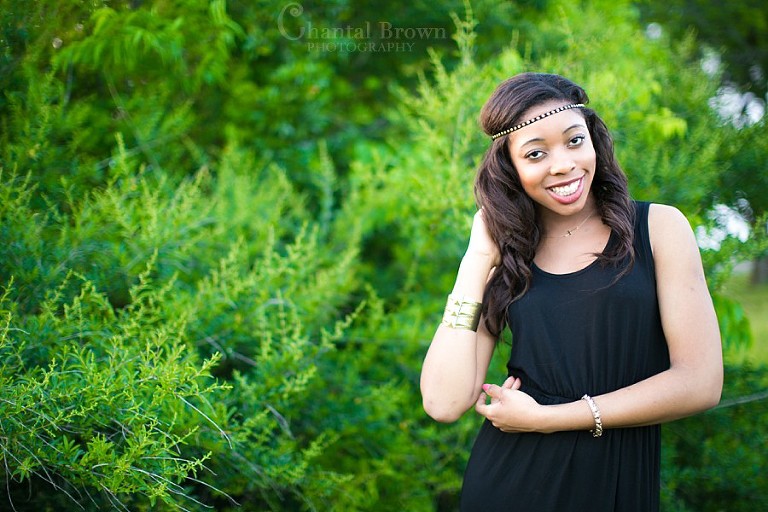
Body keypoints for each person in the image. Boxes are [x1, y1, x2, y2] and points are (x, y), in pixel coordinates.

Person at [419, 72, 723, 512]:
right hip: (511, 485)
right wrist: (476, 258)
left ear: (594, 140)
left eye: (574, 141)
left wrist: (548, 420)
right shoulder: (508, 255)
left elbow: (701, 382)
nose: (562, 164)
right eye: (536, 153)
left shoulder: (658, 228)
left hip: (616, 481)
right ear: (512, 168)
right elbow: (444, 402)